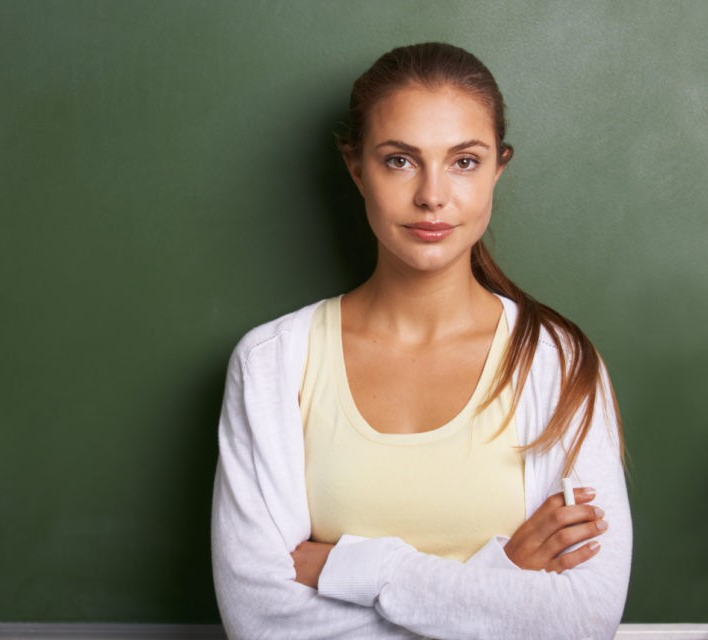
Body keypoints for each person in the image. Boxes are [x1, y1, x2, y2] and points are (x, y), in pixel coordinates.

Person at [211, 42, 631, 640]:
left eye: (464, 161)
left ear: (497, 170)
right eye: (400, 161)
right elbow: (261, 622)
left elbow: (584, 619)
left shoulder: (556, 362)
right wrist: (501, 574)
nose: (433, 195)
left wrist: (354, 567)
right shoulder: (271, 364)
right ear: (357, 169)